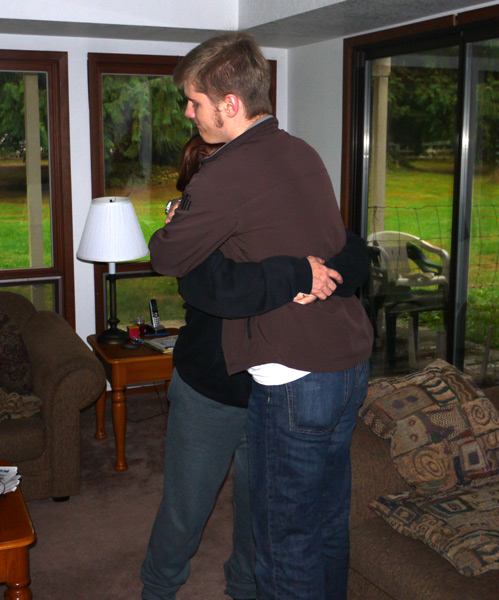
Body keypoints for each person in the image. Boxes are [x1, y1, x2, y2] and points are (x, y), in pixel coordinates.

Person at [148, 33, 374, 600]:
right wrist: (303, 272)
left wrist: (181, 224)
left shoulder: (227, 171)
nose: (187, 112)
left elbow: (167, 255)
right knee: (324, 523)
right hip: (347, 365)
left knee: (282, 542)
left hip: (293, 379)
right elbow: (330, 245)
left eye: (194, 101)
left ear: (230, 104)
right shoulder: (300, 152)